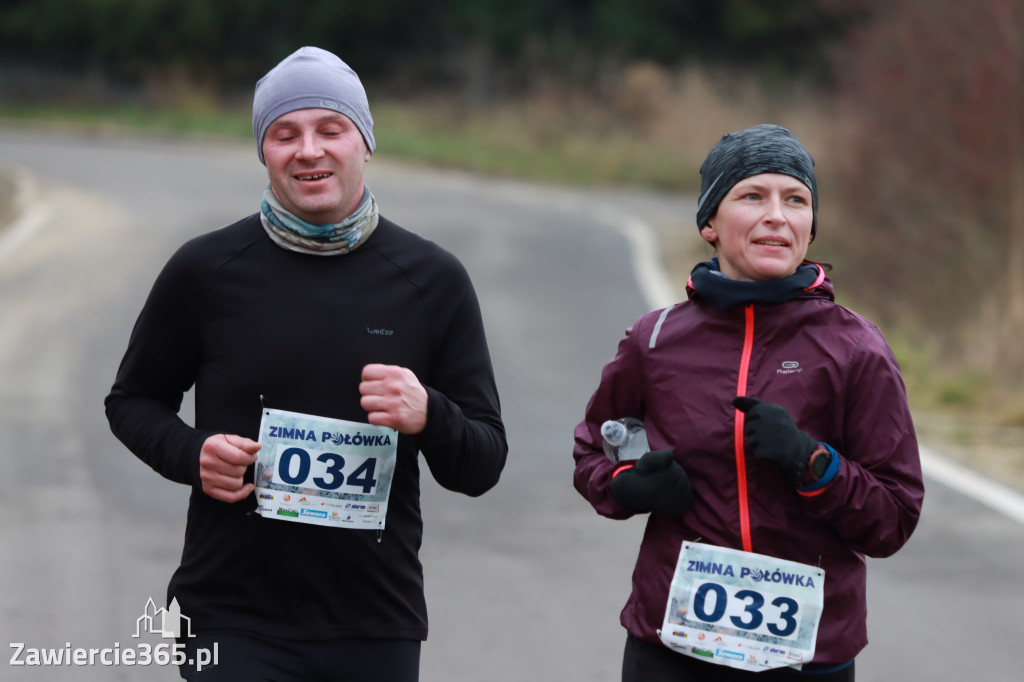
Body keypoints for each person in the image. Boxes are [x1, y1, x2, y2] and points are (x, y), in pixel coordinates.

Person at [105, 46, 507, 681]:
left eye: (331, 129)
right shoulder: (206, 271)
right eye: (284, 134)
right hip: (229, 612)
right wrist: (191, 453)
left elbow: (483, 462)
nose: (309, 150)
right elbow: (131, 402)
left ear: (365, 143)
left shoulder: (432, 280)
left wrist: (430, 415)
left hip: (373, 619)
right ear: (264, 153)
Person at [573, 124, 924, 681]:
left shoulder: (856, 348)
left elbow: (894, 520)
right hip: (673, 649)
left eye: (796, 200)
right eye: (752, 196)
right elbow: (593, 451)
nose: (777, 216)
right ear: (710, 222)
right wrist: (628, 484)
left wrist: (814, 465)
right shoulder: (656, 339)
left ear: (811, 225)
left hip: (807, 656)